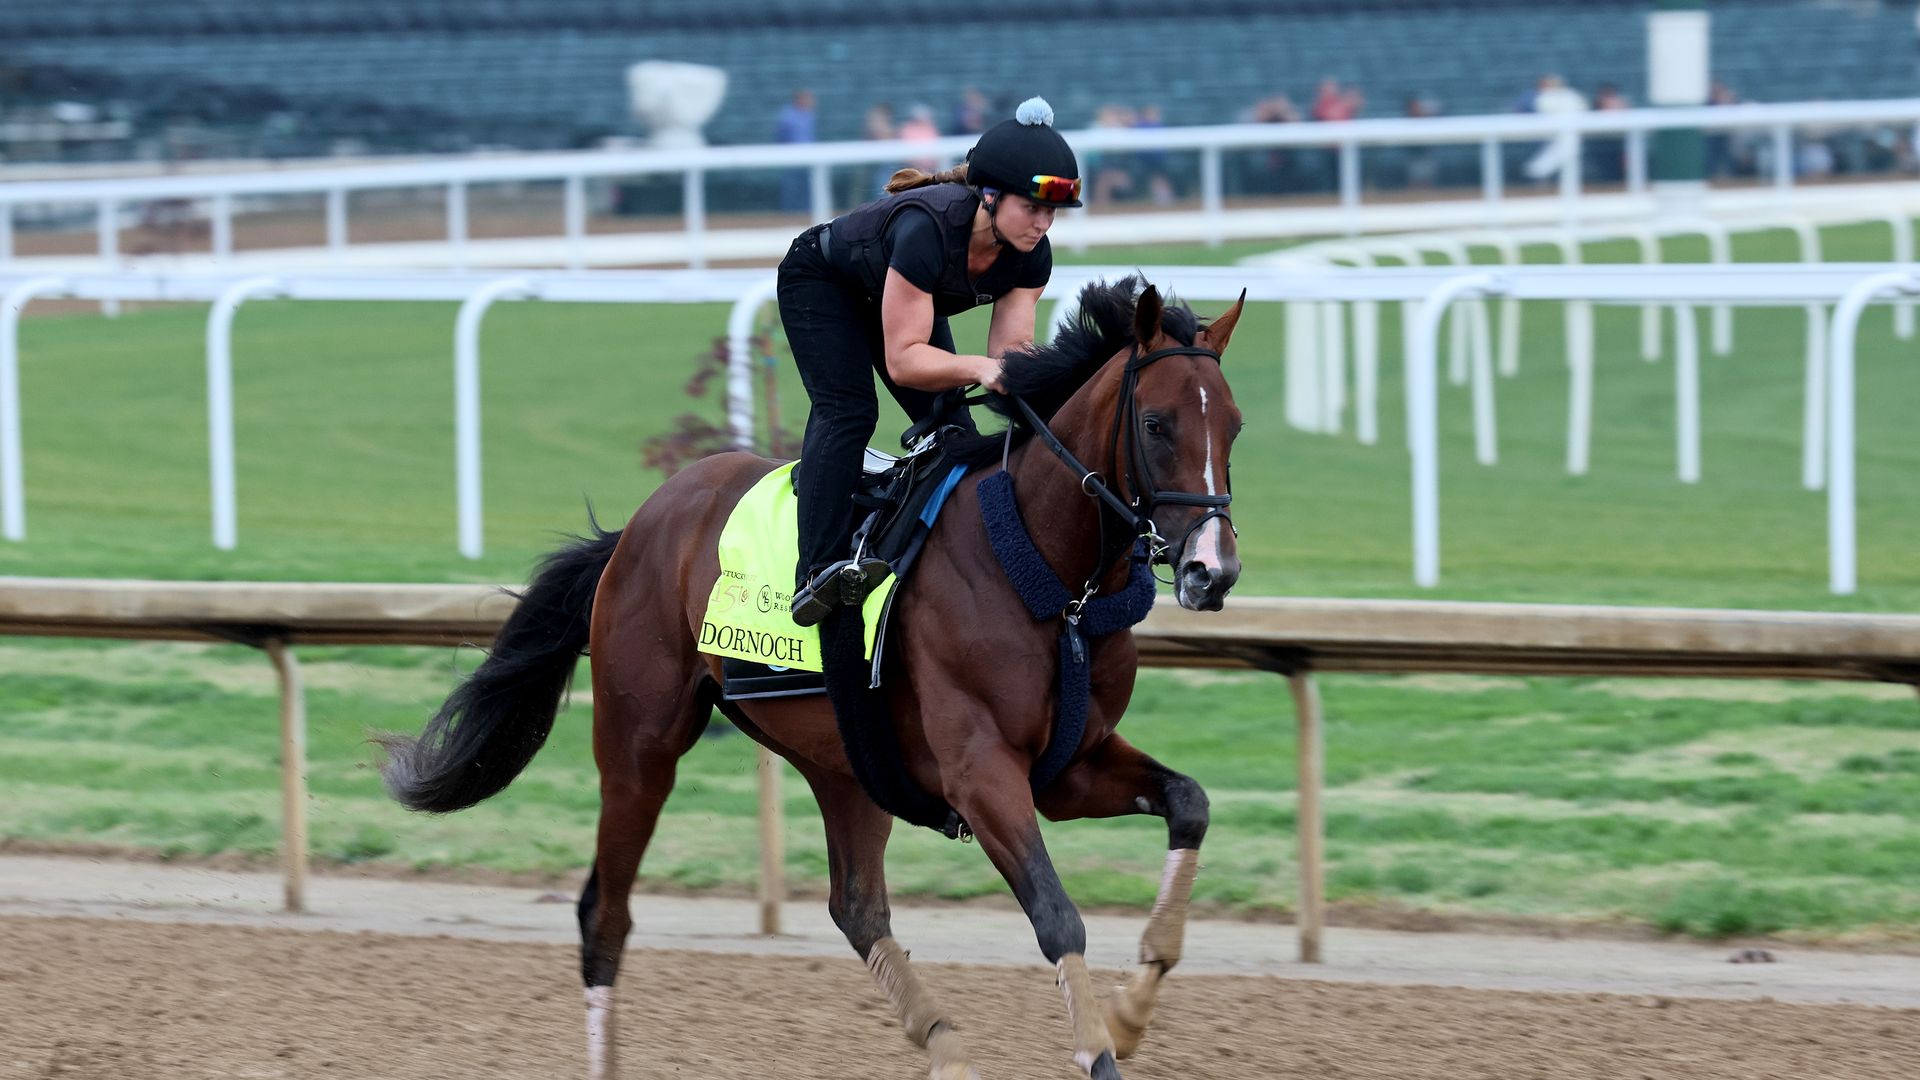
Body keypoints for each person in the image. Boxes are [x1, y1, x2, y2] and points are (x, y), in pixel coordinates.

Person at [777, 96, 1080, 626]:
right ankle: (815, 574)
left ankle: (939, 566)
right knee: (849, 411)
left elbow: (1010, 359)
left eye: (1052, 211)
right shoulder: (929, 227)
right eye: (1032, 207)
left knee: (954, 435)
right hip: (824, 284)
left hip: (901, 300)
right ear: (990, 196)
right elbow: (905, 361)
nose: (1042, 223)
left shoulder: (1033, 254)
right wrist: (981, 369)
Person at [774, 89, 818, 212]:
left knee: (806, 190)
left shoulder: (809, 115)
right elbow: (780, 137)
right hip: (792, 160)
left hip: (808, 160)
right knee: (791, 189)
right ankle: (788, 214)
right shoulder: (787, 116)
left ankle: (806, 213)